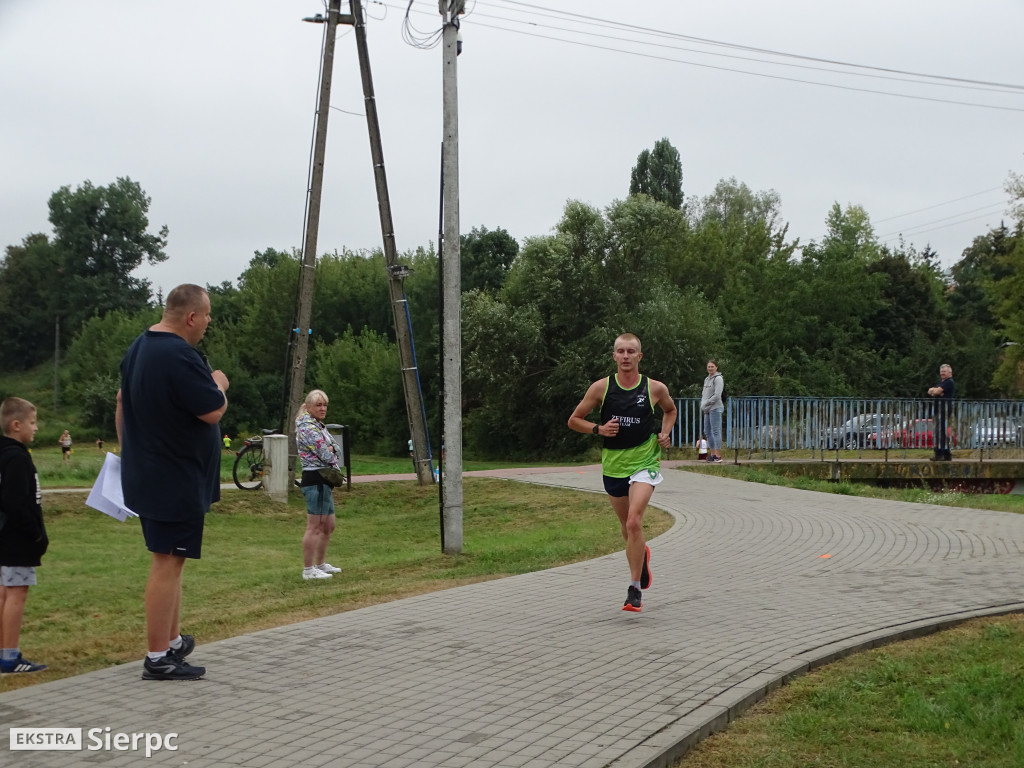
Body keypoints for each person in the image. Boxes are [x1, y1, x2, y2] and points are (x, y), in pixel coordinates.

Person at [116, 284, 229, 681]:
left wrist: (129, 453)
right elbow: (212, 411)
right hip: (173, 476)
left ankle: (173, 641)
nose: (208, 323)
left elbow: (121, 404)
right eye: (208, 315)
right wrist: (219, 383)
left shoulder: (139, 347)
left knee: (173, 559)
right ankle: (157, 656)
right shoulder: (180, 355)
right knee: (165, 561)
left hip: (152, 472)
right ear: (192, 317)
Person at [568, 333, 677, 613]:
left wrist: (665, 433)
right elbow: (574, 420)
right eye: (621, 351)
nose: (626, 356)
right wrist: (598, 429)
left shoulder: (654, 388)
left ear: (639, 357)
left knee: (633, 522)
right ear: (614, 356)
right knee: (626, 528)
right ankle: (641, 557)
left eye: (631, 351)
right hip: (613, 464)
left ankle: (634, 589)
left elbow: (670, 410)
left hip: (645, 461)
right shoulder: (601, 388)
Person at [0, 397, 49, 674]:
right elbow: (16, 502)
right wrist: (35, 535)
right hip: (17, 540)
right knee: (16, 595)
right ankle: (10, 657)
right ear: (16, 425)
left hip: (4, 538)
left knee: (4, 594)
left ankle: (3, 653)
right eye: (32, 422)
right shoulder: (17, 458)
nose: (36, 428)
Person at [296, 390, 342, 580]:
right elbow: (327, 454)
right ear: (308, 407)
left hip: (324, 480)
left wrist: (332, 449)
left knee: (328, 525)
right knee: (315, 526)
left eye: (325, 405)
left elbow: (336, 448)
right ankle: (308, 570)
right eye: (318, 405)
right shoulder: (307, 427)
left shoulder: (318, 425)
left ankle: (321, 564)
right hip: (315, 479)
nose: (323, 408)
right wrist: (331, 449)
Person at [927, 363, 955, 462]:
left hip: (944, 409)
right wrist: (936, 391)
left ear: (949, 372)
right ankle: (946, 454)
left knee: (940, 432)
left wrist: (937, 392)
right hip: (938, 409)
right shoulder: (941, 383)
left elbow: (936, 392)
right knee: (940, 432)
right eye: (941, 372)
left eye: (944, 372)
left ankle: (940, 453)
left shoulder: (949, 382)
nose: (942, 373)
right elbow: (930, 391)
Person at [700, 360, 724, 463]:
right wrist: (703, 404)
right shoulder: (706, 379)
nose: (710, 368)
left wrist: (707, 403)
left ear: (716, 367)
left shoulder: (718, 379)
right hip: (707, 409)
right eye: (709, 366)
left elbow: (717, 395)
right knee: (707, 431)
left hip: (715, 408)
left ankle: (718, 455)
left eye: (712, 366)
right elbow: (704, 394)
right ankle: (712, 454)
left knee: (715, 431)